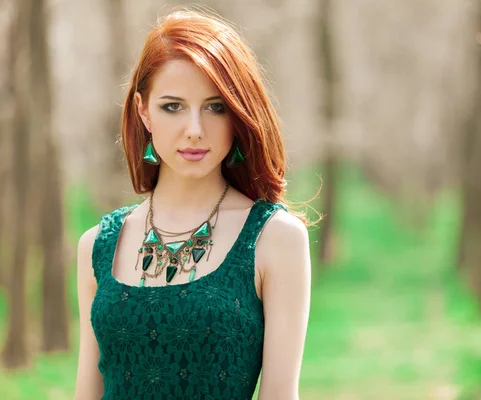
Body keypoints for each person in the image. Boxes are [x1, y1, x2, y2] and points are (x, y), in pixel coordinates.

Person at [74, 9, 312, 400]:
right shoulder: (97, 245)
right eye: (173, 106)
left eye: (215, 107)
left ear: (237, 116)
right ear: (143, 111)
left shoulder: (274, 238)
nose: (195, 130)